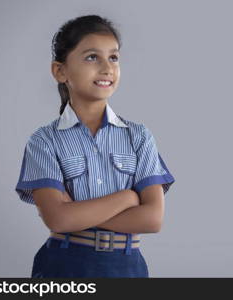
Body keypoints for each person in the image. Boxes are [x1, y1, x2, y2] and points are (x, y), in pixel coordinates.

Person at [14, 15, 175, 278]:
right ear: (60, 71)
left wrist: (75, 212)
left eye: (113, 57)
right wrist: (128, 198)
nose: (106, 68)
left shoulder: (139, 137)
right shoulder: (44, 141)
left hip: (128, 267)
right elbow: (58, 220)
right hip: (64, 265)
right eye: (91, 57)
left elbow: (152, 219)